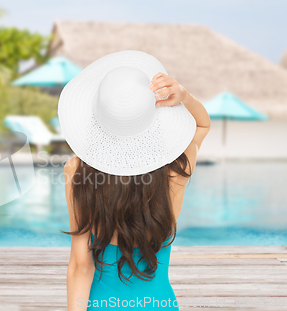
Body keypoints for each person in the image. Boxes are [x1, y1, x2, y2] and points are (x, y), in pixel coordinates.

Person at [57, 51, 211, 310]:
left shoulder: (76, 171)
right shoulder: (176, 169)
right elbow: (202, 125)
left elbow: (80, 266)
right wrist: (183, 95)